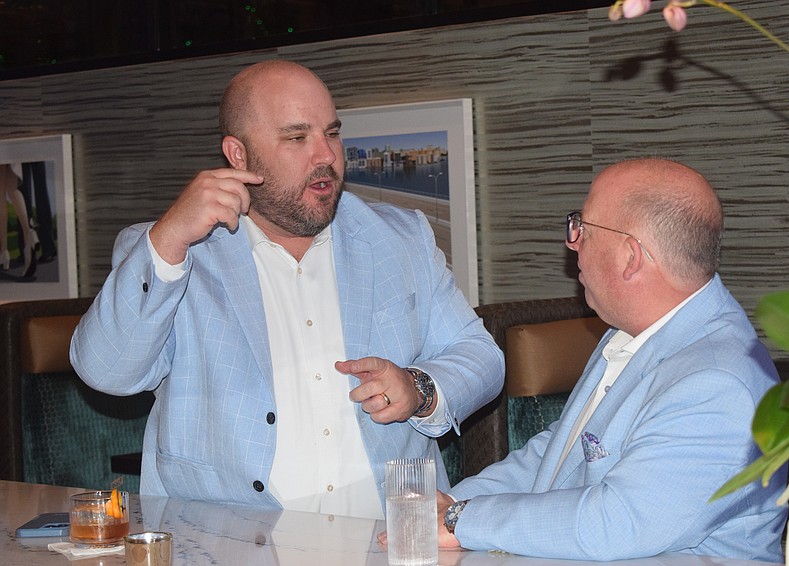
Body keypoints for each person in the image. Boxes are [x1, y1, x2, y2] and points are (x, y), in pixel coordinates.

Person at [69, 60, 504, 520]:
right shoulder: (173, 252)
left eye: (331, 133)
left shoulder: (399, 237)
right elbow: (107, 373)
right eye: (297, 138)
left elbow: (482, 356)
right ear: (238, 155)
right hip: (225, 543)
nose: (327, 156)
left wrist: (419, 388)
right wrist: (169, 239)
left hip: (387, 535)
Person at [427, 158, 787, 562]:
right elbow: (560, 452)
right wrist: (444, 506)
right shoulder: (632, 329)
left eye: (583, 227)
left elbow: (618, 522)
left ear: (630, 256)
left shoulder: (718, 383)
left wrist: (462, 518)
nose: (572, 241)